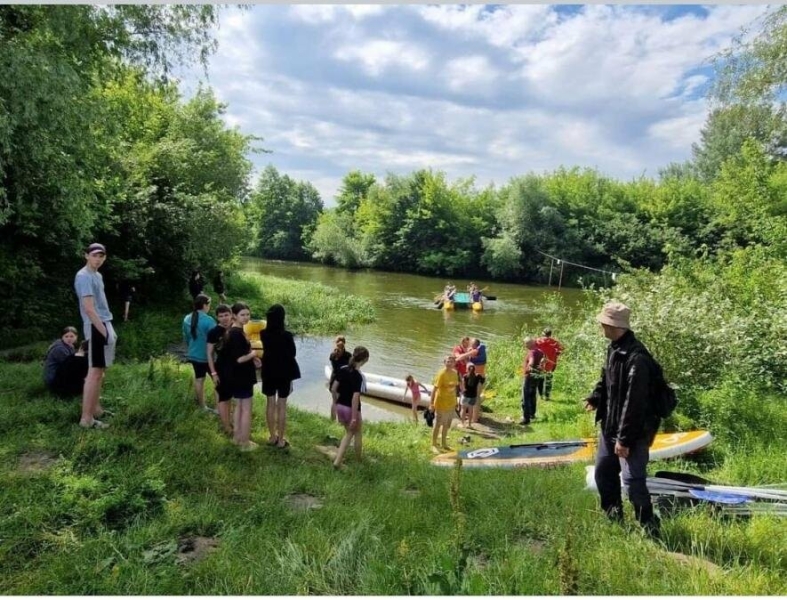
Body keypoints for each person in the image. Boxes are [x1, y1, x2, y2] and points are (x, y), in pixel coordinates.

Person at [583, 301, 661, 536]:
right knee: (603, 473)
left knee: (633, 481)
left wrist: (624, 440)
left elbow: (634, 403)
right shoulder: (615, 348)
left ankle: (650, 527)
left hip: (633, 433)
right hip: (610, 426)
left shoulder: (637, 359)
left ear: (613, 325)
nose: (600, 326)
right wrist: (596, 397)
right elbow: (606, 379)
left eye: (603, 323)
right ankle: (613, 517)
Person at [74, 242, 116, 429]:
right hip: (96, 326)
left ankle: (96, 409)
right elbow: (89, 309)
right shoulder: (83, 276)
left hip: (104, 323)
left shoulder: (97, 275)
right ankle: (86, 419)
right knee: (94, 373)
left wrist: (108, 328)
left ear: (104, 257)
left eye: (101, 256)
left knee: (100, 372)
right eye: (94, 255)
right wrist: (104, 332)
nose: (97, 259)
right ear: (86, 256)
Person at [260, 304, 301, 449]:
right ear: (282, 318)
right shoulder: (287, 335)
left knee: (270, 403)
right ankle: (281, 440)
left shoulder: (263, 333)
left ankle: (272, 437)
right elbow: (292, 353)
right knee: (282, 405)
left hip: (268, 371)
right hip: (284, 373)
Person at [224, 302, 261, 450]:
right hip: (242, 376)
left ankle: (237, 437)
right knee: (246, 408)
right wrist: (253, 354)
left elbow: (238, 354)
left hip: (236, 375)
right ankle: (245, 442)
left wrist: (252, 358)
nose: (246, 318)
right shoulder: (236, 334)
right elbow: (239, 359)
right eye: (242, 315)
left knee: (238, 406)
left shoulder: (235, 331)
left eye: (248, 314)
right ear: (234, 315)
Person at [330, 346, 369, 469]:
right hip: (352, 410)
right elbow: (355, 398)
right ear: (365, 360)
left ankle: (349, 459)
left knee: (349, 432)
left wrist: (336, 404)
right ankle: (341, 461)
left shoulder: (343, 369)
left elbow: (333, 389)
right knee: (354, 434)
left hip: (340, 406)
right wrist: (353, 417)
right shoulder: (358, 376)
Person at [182, 294, 218, 414]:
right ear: (204, 305)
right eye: (209, 305)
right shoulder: (209, 320)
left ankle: (202, 407)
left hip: (193, 354)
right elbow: (216, 339)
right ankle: (219, 408)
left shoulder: (187, 318)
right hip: (208, 357)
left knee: (199, 379)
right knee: (217, 380)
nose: (209, 307)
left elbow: (186, 337)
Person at [207, 304, 234, 435]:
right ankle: (226, 427)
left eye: (226, 315)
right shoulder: (213, 332)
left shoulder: (236, 328)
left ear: (231, 315)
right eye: (221, 316)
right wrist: (213, 373)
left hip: (237, 368)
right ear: (217, 317)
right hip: (221, 368)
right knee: (223, 398)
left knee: (232, 397)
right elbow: (209, 354)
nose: (224, 318)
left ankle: (231, 421)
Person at [430, 355, 462, 454]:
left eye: (451, 361)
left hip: (451, 403)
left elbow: (455, 388)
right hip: (440, 403)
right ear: (444, 363)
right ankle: (434, 444)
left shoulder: (455, 373)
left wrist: (456, 402)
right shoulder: (441, 374)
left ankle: (444, 443)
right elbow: (434, 389)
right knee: (438, 424)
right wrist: (431, 404)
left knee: (447, 424)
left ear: (454, 363)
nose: (449, 363)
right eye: (448, 361)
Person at [43, 327, 88, 397]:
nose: (69, 339)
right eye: (66, 336)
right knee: (80, 361)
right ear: (62, 337)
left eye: (72, 336)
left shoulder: (69, 346)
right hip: (53, 380)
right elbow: (69, 366)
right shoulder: (60, 349)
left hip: (60, 375)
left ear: (76, 337)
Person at [536, 328, 564, 401]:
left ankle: (541, 395)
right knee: (548, 380)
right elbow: (561, 349)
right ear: (550, 334)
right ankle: (547, 396)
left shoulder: (538, 341)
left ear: (543, 333)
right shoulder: (554, 342)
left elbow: (533, 349)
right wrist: (556, 353)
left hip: (540, 364)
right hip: (550, 364)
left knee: (540, 379)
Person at [521, 337, 544, 426]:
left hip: (529, 377)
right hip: (537, 376)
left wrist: (530, 366)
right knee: (533, 395)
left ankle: (526, 419)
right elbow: (543, 361)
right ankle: (532, 414)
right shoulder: (540, 351)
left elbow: (531, 361)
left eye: (526, 343)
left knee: (525, 397)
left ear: (531, 343)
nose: (525, 345)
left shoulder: (532, 352)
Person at [328, 335, 351, 421]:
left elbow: (334, 365)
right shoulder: (348, 355)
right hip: (343, 382)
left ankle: (332, 420)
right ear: (344, 343)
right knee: (342, 403)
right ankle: (341, 421)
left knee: (334, 402)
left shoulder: (332, 355)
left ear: (336, 343)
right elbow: (350, 368)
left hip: (334, 380)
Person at [469, 338, 488, 423]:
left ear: (474, 345)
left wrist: (455, 359)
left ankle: (474, 418)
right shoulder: (482, 351)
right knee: (476, 397)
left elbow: (464, 356)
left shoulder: (474, 352)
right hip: (482, 377)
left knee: (475, 397)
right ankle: (475, 416)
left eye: (471, 344)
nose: (470, 346)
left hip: (477, 378)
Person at [459, 363, 481, 429]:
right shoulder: (478, 376)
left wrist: (461, 392)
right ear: (474, 369)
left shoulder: (465, 376)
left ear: (467, 369)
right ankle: (469, 424)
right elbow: (481, 382)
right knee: (471, 409)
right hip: (473, 396)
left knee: (463, 409)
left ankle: (462, 424)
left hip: (466, 395)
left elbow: (462, 387)